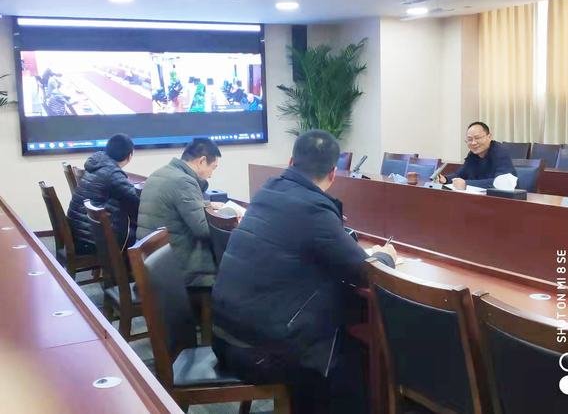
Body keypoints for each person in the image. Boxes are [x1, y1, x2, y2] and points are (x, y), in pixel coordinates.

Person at [211, 130, 397, 414]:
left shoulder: (267, 191)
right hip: (259, 355)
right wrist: (386, 255)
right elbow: (366, 272)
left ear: (290, 162)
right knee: (361, 357)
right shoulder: (313, 208)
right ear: (333, 174)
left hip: (224, 337)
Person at [136, 138, 221, 287]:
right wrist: (229, 217)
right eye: (213, 168)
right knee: (232, 270)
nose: (211, 174)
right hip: (176, 267)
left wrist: (206, 205)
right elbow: (204, 230)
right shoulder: (183, 181)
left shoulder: (161, 173)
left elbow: (176, 205)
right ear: (202, 161)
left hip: (153, 260)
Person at [68, 134, 139, 253]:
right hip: (92, 241)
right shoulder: (112, 174)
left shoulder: (97, 165)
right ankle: (128, 265)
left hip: (79, 234)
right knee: (147, 236)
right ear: (130, 155)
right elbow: (137, 203)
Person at [439, 121, 516, 189]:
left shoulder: (501, 151)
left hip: (506, 198)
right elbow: (460, 174)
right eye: (469, 139)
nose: (473, 143)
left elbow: (502, 183)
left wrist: (467, 184)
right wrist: (445, 179)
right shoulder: (472, 154)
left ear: (489, 137)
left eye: (477, 138)